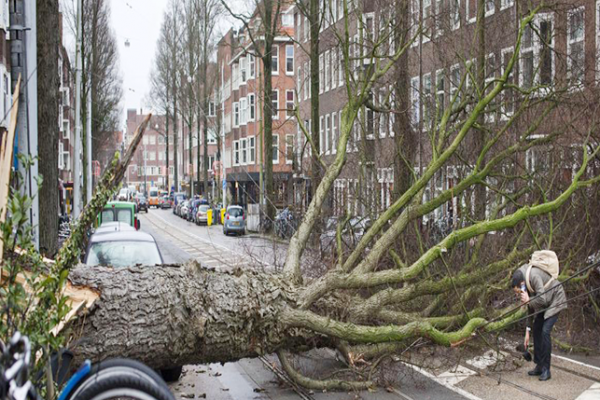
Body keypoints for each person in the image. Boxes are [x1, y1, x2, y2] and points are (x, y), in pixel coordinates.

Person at [512, 258, 567, 382]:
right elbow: (530, 308)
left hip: (555, 299)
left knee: (545, 331)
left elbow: (540, 300)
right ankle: (539, 365)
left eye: (518, 291)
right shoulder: (524, 281)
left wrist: (528, 300)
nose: (518, 294)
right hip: (545, 302)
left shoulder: (534, 276)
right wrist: (527, 331)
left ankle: (546, 370)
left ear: (521, 284)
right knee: (536, 328)